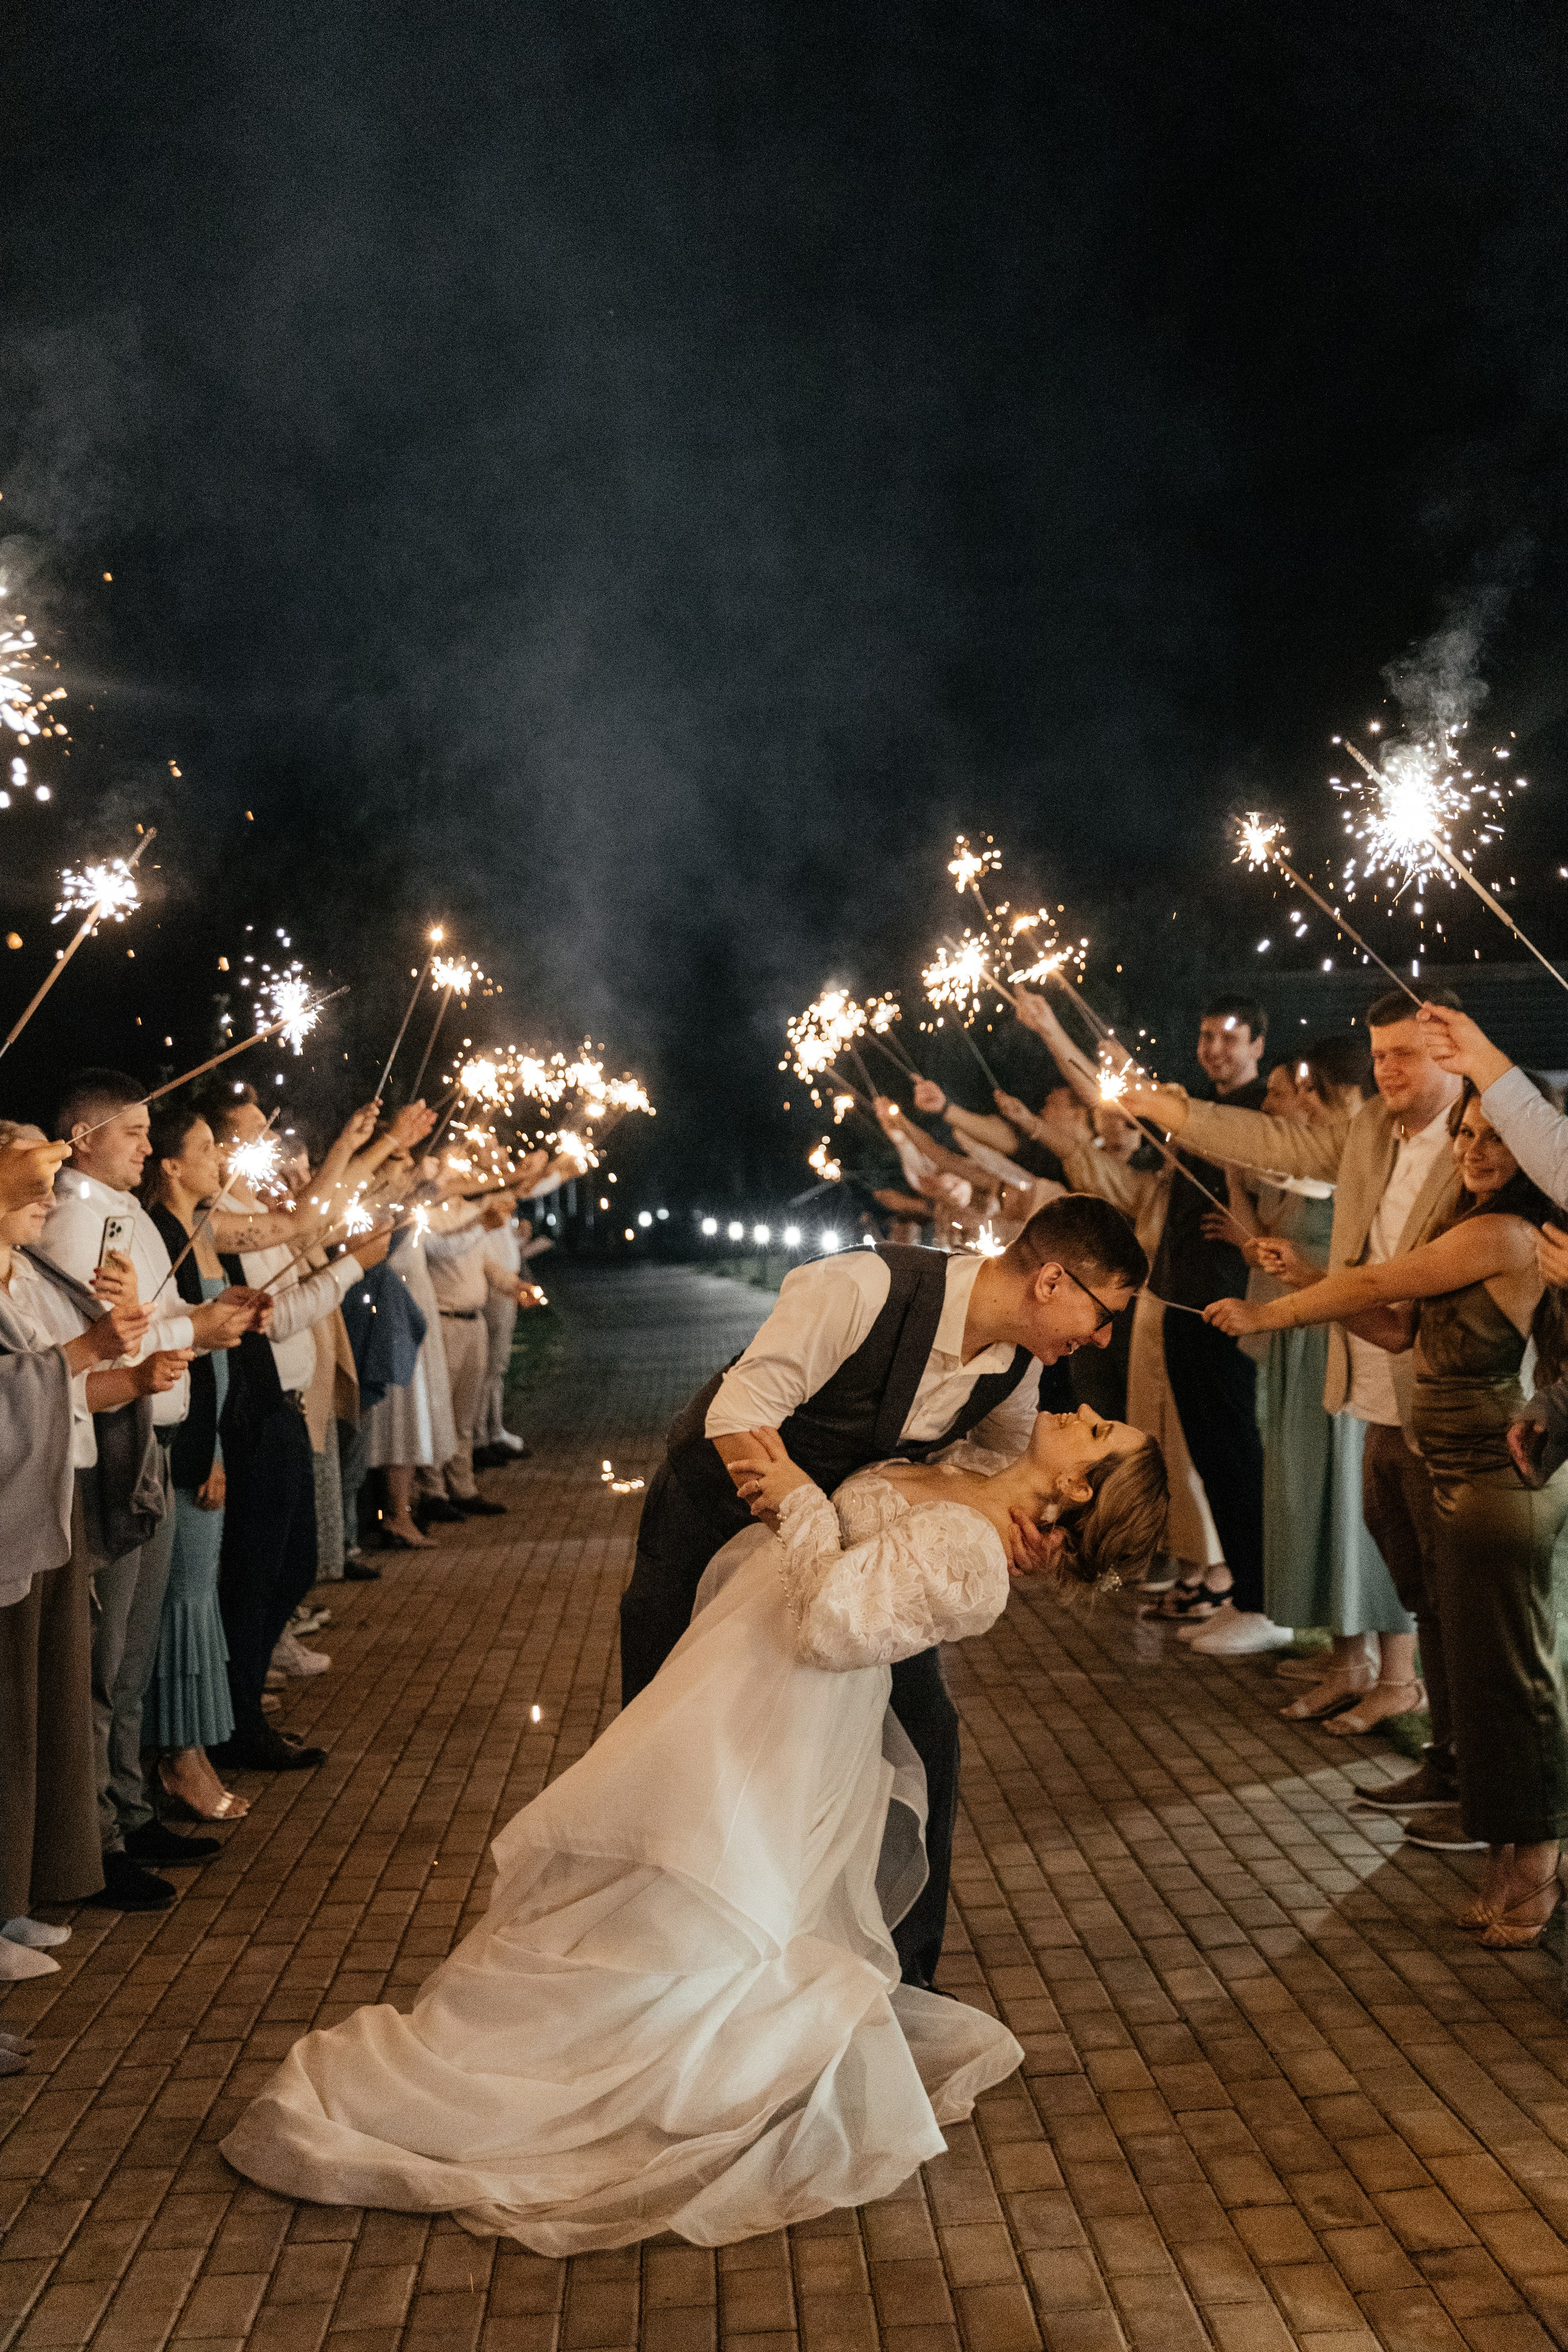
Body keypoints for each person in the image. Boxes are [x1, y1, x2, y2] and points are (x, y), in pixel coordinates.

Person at [222, 1405, 1166, 2248]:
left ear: (1077, 1485)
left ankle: (644, 2066)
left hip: (779, 1707)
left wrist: (798, 1498)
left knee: (700, 1867)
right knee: (661, 1857)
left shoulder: (976, 1554)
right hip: (739, 1670)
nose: (1081, 1409)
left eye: (1095, 1432)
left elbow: (835, 1626)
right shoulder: (971, 1474)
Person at [620, 1194, 1149, 1989]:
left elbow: (1005, 1475)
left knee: (927, 1740)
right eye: (1104, 1311)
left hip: (857, 1568)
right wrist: (793, 1513)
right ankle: (664, 1951)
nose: (1104, 1337)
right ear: (1051, 1281)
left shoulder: (1017, 1371)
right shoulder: (862, 1288)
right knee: (671, 1733)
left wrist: (1033, 1532)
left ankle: (905, 1976)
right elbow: (737, 1415)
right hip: (716, 1516)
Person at [1205, 1079, 1568, 1941]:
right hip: (1449, 1464)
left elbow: (1382, 1279)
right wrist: (1313, 1280)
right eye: (1468, 1136)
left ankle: (1538, 1864)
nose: (1474, 1152)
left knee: (1514, 1678)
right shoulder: (1468, 1229)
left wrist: (1275, 1309)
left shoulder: (1507, 1234)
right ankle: (1504, 1850)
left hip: (1498, 1474)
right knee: (1482, 1680)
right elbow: (1402, 1327)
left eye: (1495, 1140)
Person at [1123, 989, 1466, 1820]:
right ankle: (1445, 1757)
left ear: (1452, 1055)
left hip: (1453, 1397)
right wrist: (1167, 1107)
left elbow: (1394, 1278)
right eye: (1379, 1054)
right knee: (1419, 1585)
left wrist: (1276, 1307)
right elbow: (1272, 1140)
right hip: (1370, 1384)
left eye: (1405, 1055)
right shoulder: (1367, 1138)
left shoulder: (1478, 1143)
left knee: (1461, 1598)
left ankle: (1488, 1792)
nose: (1388, 1070)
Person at [40, 1071, 256, 1907]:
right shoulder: (72, 1219)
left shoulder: (122, 1212)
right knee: (105, 1653)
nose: (145, 1143)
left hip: (154, 1436)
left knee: (132, 1652)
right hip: (113, 1441)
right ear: (84, 1138)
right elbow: (99, 1341)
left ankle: (128, 1809)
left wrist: (198, 1328)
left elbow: (148, 1316)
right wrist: (194, 1328)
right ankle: (95, 1840)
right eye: (131, 1132)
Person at [0, 1121, 178, 1960]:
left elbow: (65, 1387)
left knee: (45, 1710)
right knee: (10, 1715)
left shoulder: (30, 1274)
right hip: (10, 1520)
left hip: (53, 1502)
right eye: (35, 1182)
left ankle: (18, 1891)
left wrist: (128, 1369)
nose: (50, 1195)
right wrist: (87, 1347)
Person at [1215, 1040, 1416, 1726]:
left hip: (1352, 1343)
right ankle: (1347, 1660)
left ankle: (1397, 1675)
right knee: (1312, 1501)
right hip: (1305, 1349)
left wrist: (1306, 1274)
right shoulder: (1321, 1161)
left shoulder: (1370, 1162)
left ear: (1319, 1088)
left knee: (1359, 1508)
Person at [1010, 988, 1227, 1611]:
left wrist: (1055, 1030)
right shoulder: (1153, 1187)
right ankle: (1185, 1568)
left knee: (1185, 1450)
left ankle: (1212, 1577)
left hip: (1191, 1327)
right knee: (1159, 1441)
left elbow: (1122, 1094)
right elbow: (1088, 1161)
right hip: (1153, 1330)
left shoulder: (1197, 1166)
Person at [205, 1095, 391, 1774]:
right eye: (252, 1136)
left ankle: (241, 1698)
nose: (272, 1147)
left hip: (280, 1408)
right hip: (251, 1414)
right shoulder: (217, 1225)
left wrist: (352, 1140)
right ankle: (236, 1714)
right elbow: (275, 1318)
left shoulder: (257, 1213)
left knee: (293, 1562)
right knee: (259, 1572)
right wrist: (355, 1266)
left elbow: (305, 1217)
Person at [140, 1106, 251, 1822]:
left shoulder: (200, 1232)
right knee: (184, 1600)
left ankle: (197, 1749)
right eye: (208, 1147)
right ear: (172, 1167)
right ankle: (178, 1757)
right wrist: (204, 1452)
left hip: (207, 1437)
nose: (222, 1158)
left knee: (197, 1595)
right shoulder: (164, 1233)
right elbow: (185, 1358)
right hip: (186, 1445)